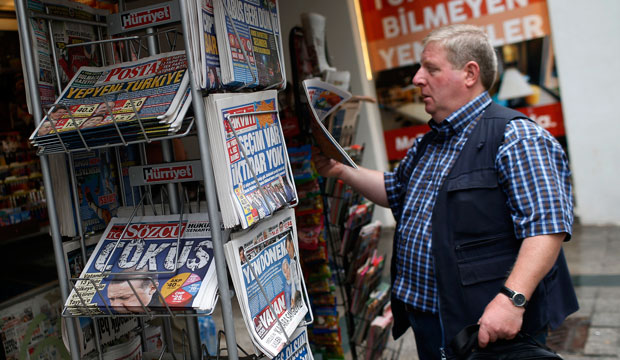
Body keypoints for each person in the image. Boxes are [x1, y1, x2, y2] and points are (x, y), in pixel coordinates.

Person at [314, 24, 578, 359]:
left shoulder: (516, 137)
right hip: (431, 320)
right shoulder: (430, 142)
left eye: (431, 68)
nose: (417, 78)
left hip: (485, 324)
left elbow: (547, 229)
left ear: (470, 74)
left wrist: (512, 300)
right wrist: (340, 169)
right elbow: (394, 191)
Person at [285, 234, 301, 308]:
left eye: (289, 247)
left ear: (293, 245)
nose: (288, 250)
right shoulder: (290, 262)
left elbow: (296, 283)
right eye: (286, 248)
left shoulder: (294, 262)